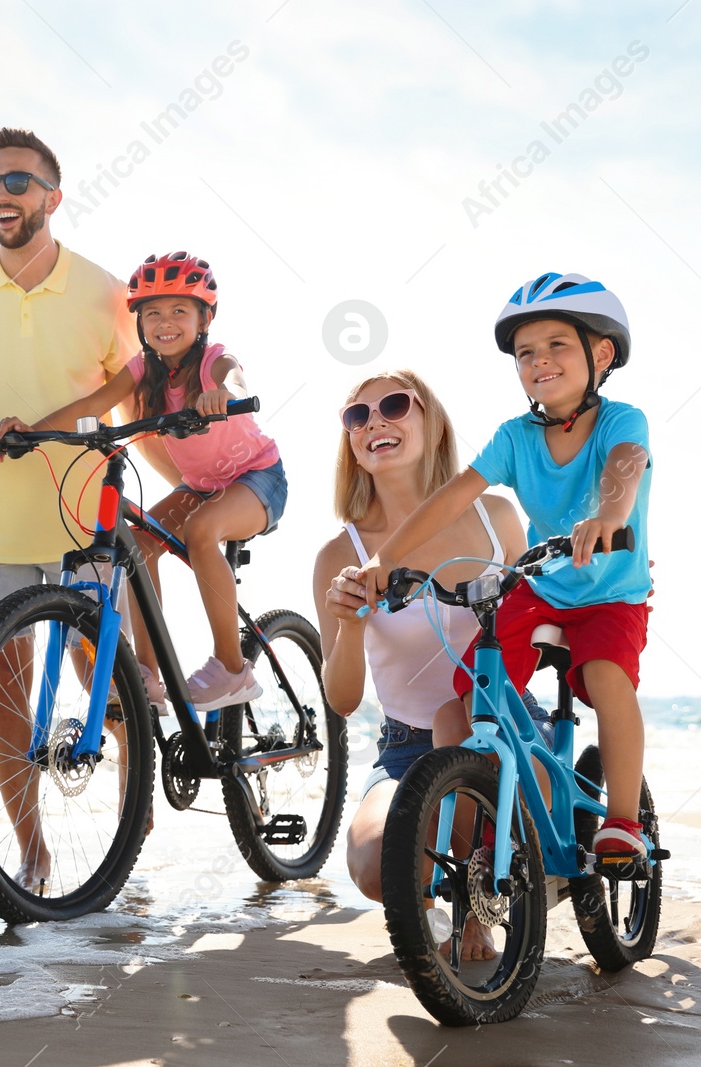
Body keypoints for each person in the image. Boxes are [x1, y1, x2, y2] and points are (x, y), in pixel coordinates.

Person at [0, 127, 150, 893]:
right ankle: (34, 857)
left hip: (84, 510)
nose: (1, 197)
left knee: (103, 672)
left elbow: (140, 378)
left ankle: (132, 815)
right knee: (2, 688)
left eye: (16, 183)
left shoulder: (105, 290)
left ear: (53, 195)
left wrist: (77, 417)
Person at [355, 272, 653, 859]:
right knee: (475, 690)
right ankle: (501, 801)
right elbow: (448, 498)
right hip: (543, 590)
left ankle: (624, 821)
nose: (539, 361)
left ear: (601, 353)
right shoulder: (516, 438)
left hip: (612, 591)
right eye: (525, 353)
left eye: (556, 345)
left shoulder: (622, 422)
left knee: (605, 675)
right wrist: (388, 559)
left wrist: (606, 517)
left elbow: (624, 470)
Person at [315, 369, 539, 960]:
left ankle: (478, 909)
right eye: (357, 416)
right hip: (407, 746)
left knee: (466, 727)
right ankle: (436, 914)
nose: (374, 422)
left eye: (393, 405)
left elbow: (544, 626)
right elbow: (340, 699)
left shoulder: (496, 517)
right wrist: (349, 623)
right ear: (351, 445)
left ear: (431, 422)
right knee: (373, 863)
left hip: (508, 730)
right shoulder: (342, 556)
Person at [33, 251, 288, 711]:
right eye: (152, 313)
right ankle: (147, 676)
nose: (164, 322)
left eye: (178, 311)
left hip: (258, 477)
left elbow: (235, 378)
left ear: (203, 318)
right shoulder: (143, 370)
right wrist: (30, 433)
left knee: (200, 531)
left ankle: (232, 669)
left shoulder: (213, 359)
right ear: (140, 322)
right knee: (136, 542)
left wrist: (222, 395)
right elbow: (93, 403)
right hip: (202, 487)